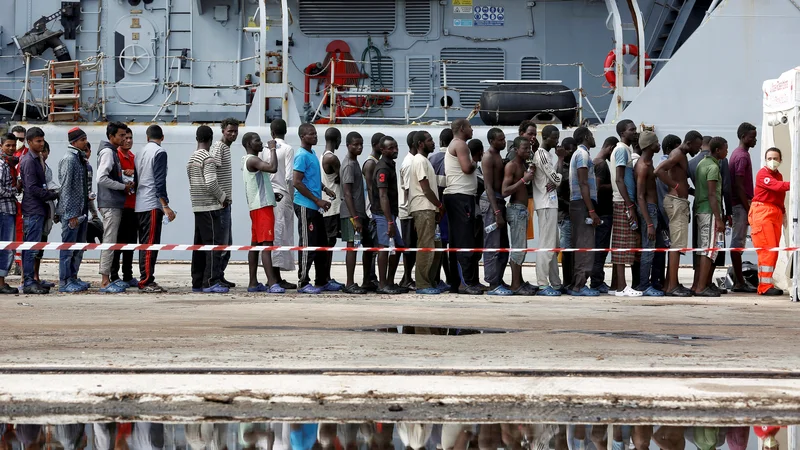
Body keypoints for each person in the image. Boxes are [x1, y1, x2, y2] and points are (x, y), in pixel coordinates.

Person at [654, 130, 702, 297]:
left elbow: (679, 178)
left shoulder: (680, 155)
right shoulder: (678, 154)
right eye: (697, 146)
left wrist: (689, 191)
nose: (698, 150)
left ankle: (670, 283)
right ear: (688, 143)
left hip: (678, 201)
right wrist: (675, 186)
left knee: (676, 244)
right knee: (677, 246)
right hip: (676, 203)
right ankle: (672, 286)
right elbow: (658, 171)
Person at [293, 123, 338, 294]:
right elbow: (297, 182)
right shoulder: (301, 156)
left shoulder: (311, 154)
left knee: (321, 244)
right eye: (311, 134)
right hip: (306, 206)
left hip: (314, 206)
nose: (315, 136)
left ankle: (322, 280)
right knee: (307, 243)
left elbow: (310, 179)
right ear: (302, 137)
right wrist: (317, 200)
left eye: (315, 133)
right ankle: (303, 282)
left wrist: (325, 189)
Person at [187, 125, 228, 294]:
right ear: (211, 139)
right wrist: (223, 198)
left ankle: (197, 282)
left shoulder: (191, 159)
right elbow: (211, 183)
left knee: (199, 246)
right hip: (210, 206)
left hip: (197, 206)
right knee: (212, 245)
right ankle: (210, 281)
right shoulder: (208, 158)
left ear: (197, 138)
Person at [443, 119, 482, 295]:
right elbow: (467, 168)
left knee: (458, 240)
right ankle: (465, 283)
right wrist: (474, 162)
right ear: (461, 129)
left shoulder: (455, 144)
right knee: (464, 241)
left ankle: (458, 282)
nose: (472, 129)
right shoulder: (461, 145)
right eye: (469, 127)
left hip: (457, 197)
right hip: (461, 198)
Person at [242, 132, 284, 293]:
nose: (260, 143)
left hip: (256, 206)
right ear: (249, 144)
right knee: (267, 244)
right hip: (262, 207)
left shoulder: (247, 160)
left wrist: (273, 195)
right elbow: (272, 168)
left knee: (255, 245)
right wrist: (273, 149)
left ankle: (253, 282)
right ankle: (272, 282)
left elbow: (257, 184)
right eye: (257, 141)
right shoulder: (253, 160)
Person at [135, 124, 175, 293]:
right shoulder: (159, 152)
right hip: (152, 203)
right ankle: (146, 281)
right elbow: (160, 182)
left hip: (139, 203)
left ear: (147, 137)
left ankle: (145, 277)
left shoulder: (139, 153)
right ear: (162, 137)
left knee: (144, 244)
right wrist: (165, 205)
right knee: (151, 244)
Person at [19, 127, 58, 294]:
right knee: (31, 248)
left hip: (38, 209)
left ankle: (32, 279)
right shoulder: (29, 161)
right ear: (29, 142)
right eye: (38, 141)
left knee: (35, 248)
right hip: (33, 209)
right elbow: (32, 188)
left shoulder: (37, 160)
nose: (41, 144)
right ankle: (28, 282)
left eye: (42, 140)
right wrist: (53, 194)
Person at [97, 121, 134, 293]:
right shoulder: (108, 153)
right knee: (110, 241)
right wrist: (123, 187)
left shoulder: (112, 152)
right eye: (120, 135)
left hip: (113, 203)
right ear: (111, 136)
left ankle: (108, 278)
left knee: (111, 241)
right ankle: (105, 280)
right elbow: (101, 178)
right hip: (110, 203)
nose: (123, 138)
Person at [749, 147, 790, 296]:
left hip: (774, 213)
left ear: (780, 160)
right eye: (769, 158)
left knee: (773, 250)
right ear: (765, 160)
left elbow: (779, 195)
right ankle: (764, 286)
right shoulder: (763, 174)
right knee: (768, 250)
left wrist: (783, 212)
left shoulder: (778, 175)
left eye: (775, 158)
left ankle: (767, 282)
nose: (772, 161)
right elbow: (776, 186)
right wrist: (794, 184)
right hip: (762, 213)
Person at [608, 120, 641, 297]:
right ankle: (622, 287)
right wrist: (629, 204)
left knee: (624, 242)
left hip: (624, 200)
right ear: (622, 132)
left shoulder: (625, 150)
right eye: (631, 130)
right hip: (622, 201)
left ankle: (618, 285)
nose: (634, 132)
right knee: (622, 244)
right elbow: (620, 179)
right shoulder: (621, 150)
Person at [693, 137, 729, 297]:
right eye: (725, 149)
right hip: (710, 212)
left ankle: (700, 284)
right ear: (718, 150)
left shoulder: (702, 163)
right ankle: (701, 287)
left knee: (703, 249)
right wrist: (719, 218)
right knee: (709, 250)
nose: (727, 152)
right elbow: (712, 194)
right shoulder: (713, 168)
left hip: (701, 210)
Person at [263, 119, 296, 290]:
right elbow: (290, 177)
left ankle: (275, 276)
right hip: (283, 195)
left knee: (273, 235)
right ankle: (275, 278)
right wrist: (292, 198)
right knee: (281, 235)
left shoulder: (264, 149)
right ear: (285, 132)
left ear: (272, 132)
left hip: (268, 197)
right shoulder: (288, 149)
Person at [409, 130, 444, 295]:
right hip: (424, 208)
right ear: (420, 144)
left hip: (430, 209)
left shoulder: (425, 160)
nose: (433, 142)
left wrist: (436, 208)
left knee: (436, 246)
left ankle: (430, 281)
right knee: (426, 246)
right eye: (429, 140)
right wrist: (439, 205)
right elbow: (425, 188)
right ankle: (422, 284)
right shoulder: (420, 160)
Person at [58, 127, 91, 293]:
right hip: (72, 213)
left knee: (77, 247)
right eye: (83, 139)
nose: (85, 142)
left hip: (80, 211)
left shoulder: (79, 159)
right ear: (74, 142)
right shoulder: (70, 160)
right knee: (68, 248)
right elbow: (66, 188)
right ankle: (64, 281)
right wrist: (70, 214)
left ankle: (73, 277)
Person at [502, 137, 537, 295]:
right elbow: (505, 191)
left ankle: (520, 282)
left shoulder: (522, 164)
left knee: (521, 248)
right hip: (516, 210)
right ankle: (515, 285)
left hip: (522, 210)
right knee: (518, 249)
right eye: (525, 148)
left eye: (529, 148)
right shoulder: (512, 166)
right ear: (516, 150)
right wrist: (524, 179)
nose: (528, 151)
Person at [532, 125, 564, 296]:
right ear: (545, 137)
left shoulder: (546, 155)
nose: (557, 140)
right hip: (545, 203)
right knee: (547, 244)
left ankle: (555, 282)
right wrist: (560, 161)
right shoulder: (542, 155)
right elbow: (556, 179)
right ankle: (543, 283)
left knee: (553, 244)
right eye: (554, 137)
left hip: (550, 203)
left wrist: (556, 179)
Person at [568, 127, 600, 296]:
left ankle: (578, 283)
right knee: (585, 245)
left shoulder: (580, 155)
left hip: (580, 204)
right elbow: (583, 183)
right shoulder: (582, 155)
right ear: (586, 136)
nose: (594, 138)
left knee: (582, 244)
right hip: (582, 205)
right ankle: (579, 285)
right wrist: (591, 210)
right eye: (592, 135)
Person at [371, 136, 405, 294]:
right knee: (384, 247)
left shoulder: (390, 165)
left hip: (389, 214)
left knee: (399, 246)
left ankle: (390, 281)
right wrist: (390, 221)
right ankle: (382, 284)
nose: (395, 150)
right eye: (391, 148)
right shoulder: (383, 168)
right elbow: (382, 195)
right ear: (382, 150)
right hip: (383, 214)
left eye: (396, 146)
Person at [728, 122, 759, 293]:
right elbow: (739, 185)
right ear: (743, 137)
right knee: (737, 242)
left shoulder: (739, 154)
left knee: (738, 242)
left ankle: (739, 280)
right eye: (752, 137)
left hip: (741, 203)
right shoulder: (741, 156)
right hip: (741, 204)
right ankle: (739, 282)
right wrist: (748, 208)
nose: (755, 140)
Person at [480, 128, 511, 295]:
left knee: (503, 245)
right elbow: (488, 187)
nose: (503, 142)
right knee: (492, 244)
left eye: (504, 139)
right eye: (500, 139)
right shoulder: (488, 157)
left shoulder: (499, 156)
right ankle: (492, 283)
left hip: (499, 201)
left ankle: (498, 279)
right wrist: (497, 212)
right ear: (492, 141)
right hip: (492, 203)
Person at [634, 131, 664, 296]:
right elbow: (640, 196)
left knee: (650, 248)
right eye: (656, 142)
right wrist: (650, 223)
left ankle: (646, 283)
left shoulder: (647, 162)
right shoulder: (644, 166)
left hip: (651, 209)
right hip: (648, 210)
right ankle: (644, 285)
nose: (658, 145)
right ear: (649, 145)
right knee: (648, 249)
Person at [209, 118, 238, 287]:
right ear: (223, 131)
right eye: (230, 131)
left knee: (227, 243)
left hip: (226, 203)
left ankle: (220, 275)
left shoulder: (226, 148)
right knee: (221, 242)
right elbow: (211, 173)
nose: (233, 134)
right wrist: (222, 198)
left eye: (235, 131)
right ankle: (215, 278)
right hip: (221, 204)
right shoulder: (219, 147)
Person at [339, 132, 370, 294]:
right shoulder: (350, 165)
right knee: (351, 246)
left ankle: (355, 281)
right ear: (348, 145)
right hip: (352, 213)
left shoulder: (354, 162)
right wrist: (355, 217)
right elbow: (347, 193)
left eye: (361, 144)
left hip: (356, 212)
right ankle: (349, 283)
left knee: (355, 246)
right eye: (355, 144)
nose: (359, 147)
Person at [590, 136, 618, 293]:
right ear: (611, 147)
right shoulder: (601, 165)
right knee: (601, 248)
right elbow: (598, 187)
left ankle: (597, 279)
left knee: (599, 248)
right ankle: (597, 281)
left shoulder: (596, 162)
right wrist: (615, 184)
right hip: (603, 213)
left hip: (601, 212)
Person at [110, 127, 137, 287]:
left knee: (131, 242)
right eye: (125, 137)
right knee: (118, 241)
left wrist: (134, 171)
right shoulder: (116, 156)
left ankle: (128, 274)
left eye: (130, 138)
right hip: (120, 205)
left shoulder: (133, 157)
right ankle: (114, 274)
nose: (128, 140)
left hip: (133, 205)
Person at [429, 129, 454, 291]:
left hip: (434, 207)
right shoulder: (452, 159)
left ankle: (439, 279)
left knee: (439, 245)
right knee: (447, 246)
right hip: (448, 207)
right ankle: (449, 278)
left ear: (440, 142)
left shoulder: (431, 159)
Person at [320, 127, 345, 291]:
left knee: (328, 242)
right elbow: (344, 178)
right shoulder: (332, 158)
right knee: (329, 242)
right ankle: (326, 277)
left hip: (327, 204)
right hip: (333, 206)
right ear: (338, 140)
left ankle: (325, 276)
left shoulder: (322, 155)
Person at [361, 132, 385, 292]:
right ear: (376, 145)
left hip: (373, 210)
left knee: (373, 248)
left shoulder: (376, 162)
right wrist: (376, 210)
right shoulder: (371, 164)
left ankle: (371, 278)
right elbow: (370, 188)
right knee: (371, 248)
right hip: (371, 211)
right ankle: (368, 279)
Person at [36, 141, 60, 288]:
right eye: (40, 151)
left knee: (41, 245)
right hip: (35, 210)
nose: (42, 154)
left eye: (44, 151)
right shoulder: (32, 166)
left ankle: (36, 276)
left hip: (47, 210)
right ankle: (27, 278)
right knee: (32, 245)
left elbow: (50, 185)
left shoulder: (47, 169)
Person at [399, 130, 418, 290]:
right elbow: (407, 189)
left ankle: (408, 277)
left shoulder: (414, 160)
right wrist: (413, 211)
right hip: (408, 212)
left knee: (412, 246)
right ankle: (406, 278)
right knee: (409, 247)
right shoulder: (409, 163)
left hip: (411, 210)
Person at [0, 134, 19, 293]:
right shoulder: (2, 165)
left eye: (13, 145)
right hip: (3, 210)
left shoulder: (9, 164)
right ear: (1, 146)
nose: (11, 148)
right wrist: (14, 191)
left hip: (9, 209)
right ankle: (0, 283)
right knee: (5, 247)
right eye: (8, 145)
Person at [557, 137, 577, 290]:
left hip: (575, 214)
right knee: (567, 250)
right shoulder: (561, 168)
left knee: (574, 251)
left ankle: (572, 281)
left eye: (573, 149)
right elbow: (556, 193)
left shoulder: (575, 166)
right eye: (568, 149)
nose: (572, 152)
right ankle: (567, 282)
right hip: (566, 214)